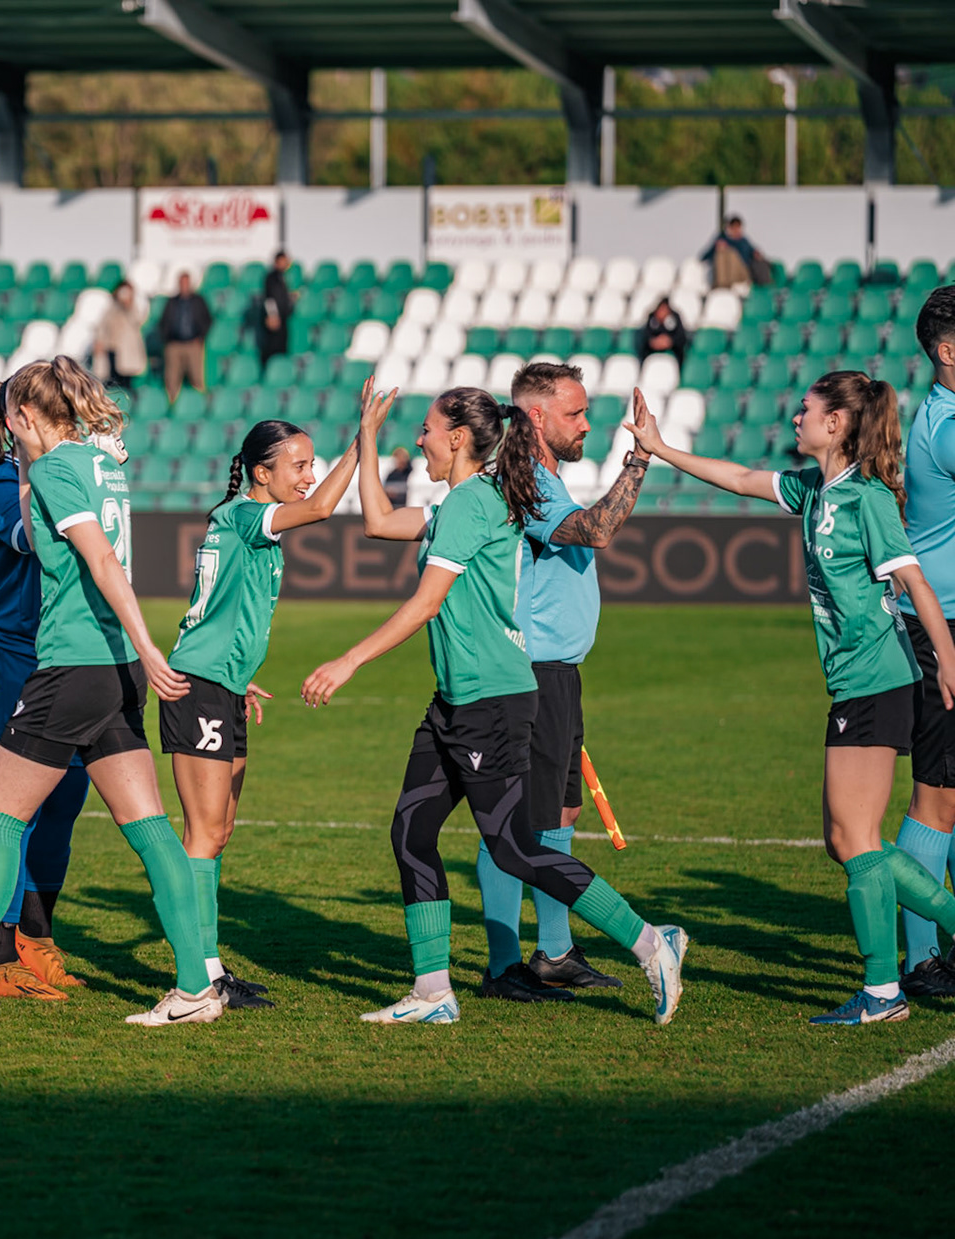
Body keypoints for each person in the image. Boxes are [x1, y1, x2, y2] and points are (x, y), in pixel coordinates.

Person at [302, 384, 689, 1027]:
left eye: (426, 429)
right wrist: (368, 434)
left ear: (457, 437)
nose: (419, 439)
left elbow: (426, 603)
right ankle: (433, 994)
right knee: (412, 831)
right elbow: (375, 521)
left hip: (493, 701)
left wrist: (348, 661)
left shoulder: (470, 504)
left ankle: (653, 944)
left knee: (512, 848)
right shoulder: (466, 501)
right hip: (458, 700)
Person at [0, 355, 220, 1029]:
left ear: (24, 417)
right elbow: (42, 537)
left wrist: (150, 645)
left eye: (13, 418)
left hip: (71, 668)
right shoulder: (103, 467)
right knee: (151, 832)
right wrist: (138, 654)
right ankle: (193, 986)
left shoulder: (59, 470)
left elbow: (99, 559)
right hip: (113, 672)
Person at [629, 372, 955, 1025]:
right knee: (847, 841)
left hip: (877, 679)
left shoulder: (865, 496)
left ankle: (883, 993)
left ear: (837, 424)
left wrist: (947, 657)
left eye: (807, 409)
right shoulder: (816, 489)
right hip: (856, 682)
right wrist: (660, 449)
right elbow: (742, 478)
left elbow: (914, 580)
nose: (797, 415)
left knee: (851, 837)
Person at [470, 363, 656, 1004]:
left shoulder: (544, 479)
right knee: (514, 824)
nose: (585, 424)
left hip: (558, 674)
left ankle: (552, 952)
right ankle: (502, 966)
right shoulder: (528, 486)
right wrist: (639, 462)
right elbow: (598, 531)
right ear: (539, 418)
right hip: (532, 674)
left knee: (558, 813)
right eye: (575, 414)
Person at [164, 411, 361, 1009]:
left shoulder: (250, 525)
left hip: (221, 685)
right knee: (202, 835)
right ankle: (198, 977)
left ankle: (211, 967)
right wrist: (362, 444)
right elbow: (323, 509)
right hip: (196, 686)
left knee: (218, 833)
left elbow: (226, 609)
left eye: (311, 464)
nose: (308, 475)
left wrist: (238, 679)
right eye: (298, 466)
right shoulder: (246, 516)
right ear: (260, 473)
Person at [0, 383, 96, 1001]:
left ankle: (37, 938)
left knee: (67, 796)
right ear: (20, 420)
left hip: (61, 655)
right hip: (11, 657)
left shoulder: (61, 472)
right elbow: (35, 540)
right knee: (13, 809)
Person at [896, 288, 955, 1000]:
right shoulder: (944, 425)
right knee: (933, 797)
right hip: (943, 625)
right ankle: (918, 960)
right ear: (946, 351)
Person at [158, 271, 212, 403]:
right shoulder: (172, 302)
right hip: (174, 344)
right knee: (172, 379)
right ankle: (172, 405)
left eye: (186, 282)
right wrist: (167, 338)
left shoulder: (198, 301)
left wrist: (200, 337)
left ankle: (201, 404)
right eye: (182, 283)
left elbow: (207, 320)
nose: (184, 286)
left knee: (197, 378)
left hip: (193, 344)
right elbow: (163, 322)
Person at [91, 282, 148, 389]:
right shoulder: (111, 307)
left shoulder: (135, 307)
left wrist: (129, 304)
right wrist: (99, 341)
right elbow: (103, 325)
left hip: (126, 352)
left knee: (126, 382)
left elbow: (138, 320)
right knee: (111, 382)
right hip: (111, 349)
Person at [702, 215, 769, 289]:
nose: (736, 230)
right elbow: (706, 256)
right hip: (725, 274)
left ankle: (726, 285)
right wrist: (716, 249)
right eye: (734, 227)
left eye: (738, 227)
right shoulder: (722, 239)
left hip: (742, 273)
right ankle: (722, 285)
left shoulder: (744, 241)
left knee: (731, 253)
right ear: (729, 228)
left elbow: (754, 252)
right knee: (722, 252)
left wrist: (756, 254)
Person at [257, 251, 295, 369]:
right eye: (283, 261)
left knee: (282, 349)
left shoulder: (282, 277)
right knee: (272, 349)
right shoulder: (271, 277)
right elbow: (269, 299)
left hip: (283, 319)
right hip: (274, 320)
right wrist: (272, 315)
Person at [640, 298, 690, 370]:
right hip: (652, 352)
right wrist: (654, 342)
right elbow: (645, 337)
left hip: (673, 351)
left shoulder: (675, 318)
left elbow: (682, 338)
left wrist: (670, 342)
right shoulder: (651, 317)